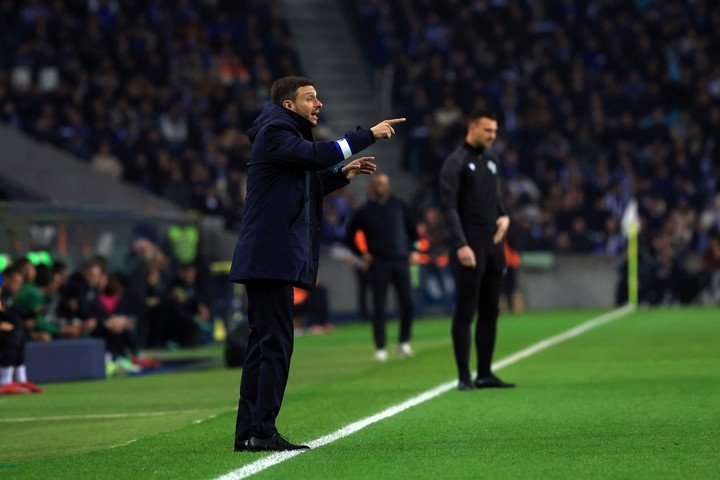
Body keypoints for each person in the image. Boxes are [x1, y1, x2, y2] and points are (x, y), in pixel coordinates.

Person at [228, 75, 404, 452]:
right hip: (270, 256)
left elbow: (303, 186)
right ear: (289, 105)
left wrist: (341, 176)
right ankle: (262, 430)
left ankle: (248, 432)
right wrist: (366, 134)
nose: (318, 103)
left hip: (264, 256)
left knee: (262, 345)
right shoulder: (276, 131)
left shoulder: (278, 135)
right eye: (310, 98)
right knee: (275, 345)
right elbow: (316, 156)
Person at [439, 110, 515, 391]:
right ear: (472, 128)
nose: (492, 136)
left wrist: (504, 215)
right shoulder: (455, 162)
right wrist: (460, 244)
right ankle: (463, 377)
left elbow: (493, 199)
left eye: (495, 132)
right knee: (465, 312)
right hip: (469, 247)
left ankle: (484, 373)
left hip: (494, 247)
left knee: (490, 310)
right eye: (488, 131)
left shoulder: (492, 160)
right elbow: (448, 207)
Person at [344, 174, 418, 361]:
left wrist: (412, 250)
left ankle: (403, 342)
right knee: (379, 306)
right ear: (370, 187)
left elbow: (413, 232)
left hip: (401, 260)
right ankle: (380, 347)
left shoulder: (399, 206)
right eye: (377, 185)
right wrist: (362, 254)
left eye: (384, 184)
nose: (381, 188)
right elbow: (348, 236)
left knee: (408, 302)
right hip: (378, 263)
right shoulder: (364, 211)